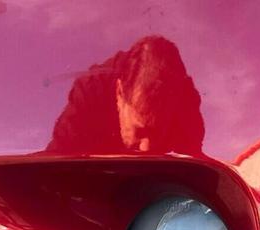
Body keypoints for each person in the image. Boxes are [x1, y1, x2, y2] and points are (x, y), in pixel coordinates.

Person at [47, 35, 204, 155]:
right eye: (140, 131)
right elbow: (54, 164)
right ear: (119, 93)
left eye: (158, 132)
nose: (146, 148)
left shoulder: (186, 106)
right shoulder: (89, 92)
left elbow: (193, 168)